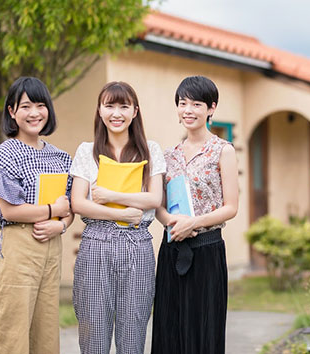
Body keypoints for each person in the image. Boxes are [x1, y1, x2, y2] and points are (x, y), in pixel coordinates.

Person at [0, 76, 74, 354]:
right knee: (9, 336)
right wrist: (53, 211)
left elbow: (71, 209)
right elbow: (9, 210)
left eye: (40, 105)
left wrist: (61, 225)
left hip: (51, 250)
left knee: (44, 336)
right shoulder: (5, 154)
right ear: (12, 111)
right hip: (16, 250)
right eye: (26, 106)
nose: (34, 113)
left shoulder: (61, 158)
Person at [70, 81, 165, 354]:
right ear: (99, 110)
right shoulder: (86, 151)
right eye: (109, 105)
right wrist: (122, 213)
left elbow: (154, 199)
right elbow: (78, 203)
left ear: (135, 111)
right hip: (95, 243)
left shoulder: (150, 150)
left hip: (138, 244)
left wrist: (108, 195)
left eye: (124, 106)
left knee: (133, 332)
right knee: (93, 333)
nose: (117, 113)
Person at [151, 75, 239, 354]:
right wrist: (172, 223)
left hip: (207, 250)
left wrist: (194, 223)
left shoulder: (222, 151)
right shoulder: (168, 155)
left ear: (211, 108)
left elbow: (231, 207)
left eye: (196, 104)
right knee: (170, 327)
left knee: (204, 328)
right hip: (172, 248)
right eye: (182, 103)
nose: (188, 110)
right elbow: (159, 206)